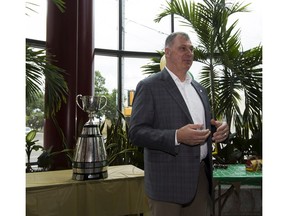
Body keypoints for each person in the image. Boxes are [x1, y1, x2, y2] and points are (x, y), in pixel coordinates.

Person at [128, 32, 229, 216]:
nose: (189, 53)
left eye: (191, 49)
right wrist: (176, 137)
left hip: (199, 179)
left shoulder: (199, 88)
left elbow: (204, 125)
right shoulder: (149, 86)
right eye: (182, 48)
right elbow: (136, 132)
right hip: (166, 184)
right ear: (167, 52)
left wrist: (218, 130)